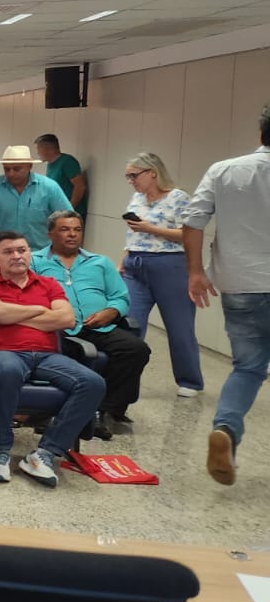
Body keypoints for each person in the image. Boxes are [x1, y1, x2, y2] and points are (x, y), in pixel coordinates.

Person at [0, 230, 106, 487]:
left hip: (47, 356)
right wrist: (38, 310)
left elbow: (66, 319)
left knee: (93, 382)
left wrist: (10, 315)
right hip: (5, 352)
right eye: (8, 252)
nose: (17, 256)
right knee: (8, 371)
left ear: (29, 253)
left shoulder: (48, 284)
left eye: (22, 250)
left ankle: (45, 453)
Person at [183, 107, 270, 486]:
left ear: (261, 131)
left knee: (248, 368)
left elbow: (192, 221)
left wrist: (195, 272)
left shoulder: (224, 170)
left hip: (240, 285)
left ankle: (226, 429)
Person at [34, 211, 151, 438]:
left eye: (77, 230)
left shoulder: (100, 262)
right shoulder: (35, 261)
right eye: (65, 229)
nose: (72, 234)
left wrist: (111, 311)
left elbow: (120, 296)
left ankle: (104, 409)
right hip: (58, 328)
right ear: (50, 234)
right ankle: (49, 410)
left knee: (136, 349)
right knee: (53, 351)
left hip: (98, 326)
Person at [118, 152, 204, 399]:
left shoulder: (178, 197)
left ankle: (189, 380)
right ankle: (123, 379)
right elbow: (134, 234)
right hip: (135, 264)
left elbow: (188, 234)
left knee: (179, 325)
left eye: (134, 175)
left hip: (170, 265)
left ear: (152, 173)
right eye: (128, 177)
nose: (131, 181)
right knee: (129, 323)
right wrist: (123, 259)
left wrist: (150, 228)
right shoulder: (137, 198)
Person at [0, 144, 73, 250]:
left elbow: (68, 220)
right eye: (7, 169)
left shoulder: (49, 187)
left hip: (41, 253)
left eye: (17, 169)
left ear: (30, 166)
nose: (11, 173)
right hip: (5, 252)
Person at [35, 133, 87, 220]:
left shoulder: (67, 162)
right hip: (58, 213)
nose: (37, 153)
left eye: (39, 149)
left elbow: (80, 186)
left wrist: (69, 209)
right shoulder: (50, 164)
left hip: (71, 214)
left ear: (47, 149)